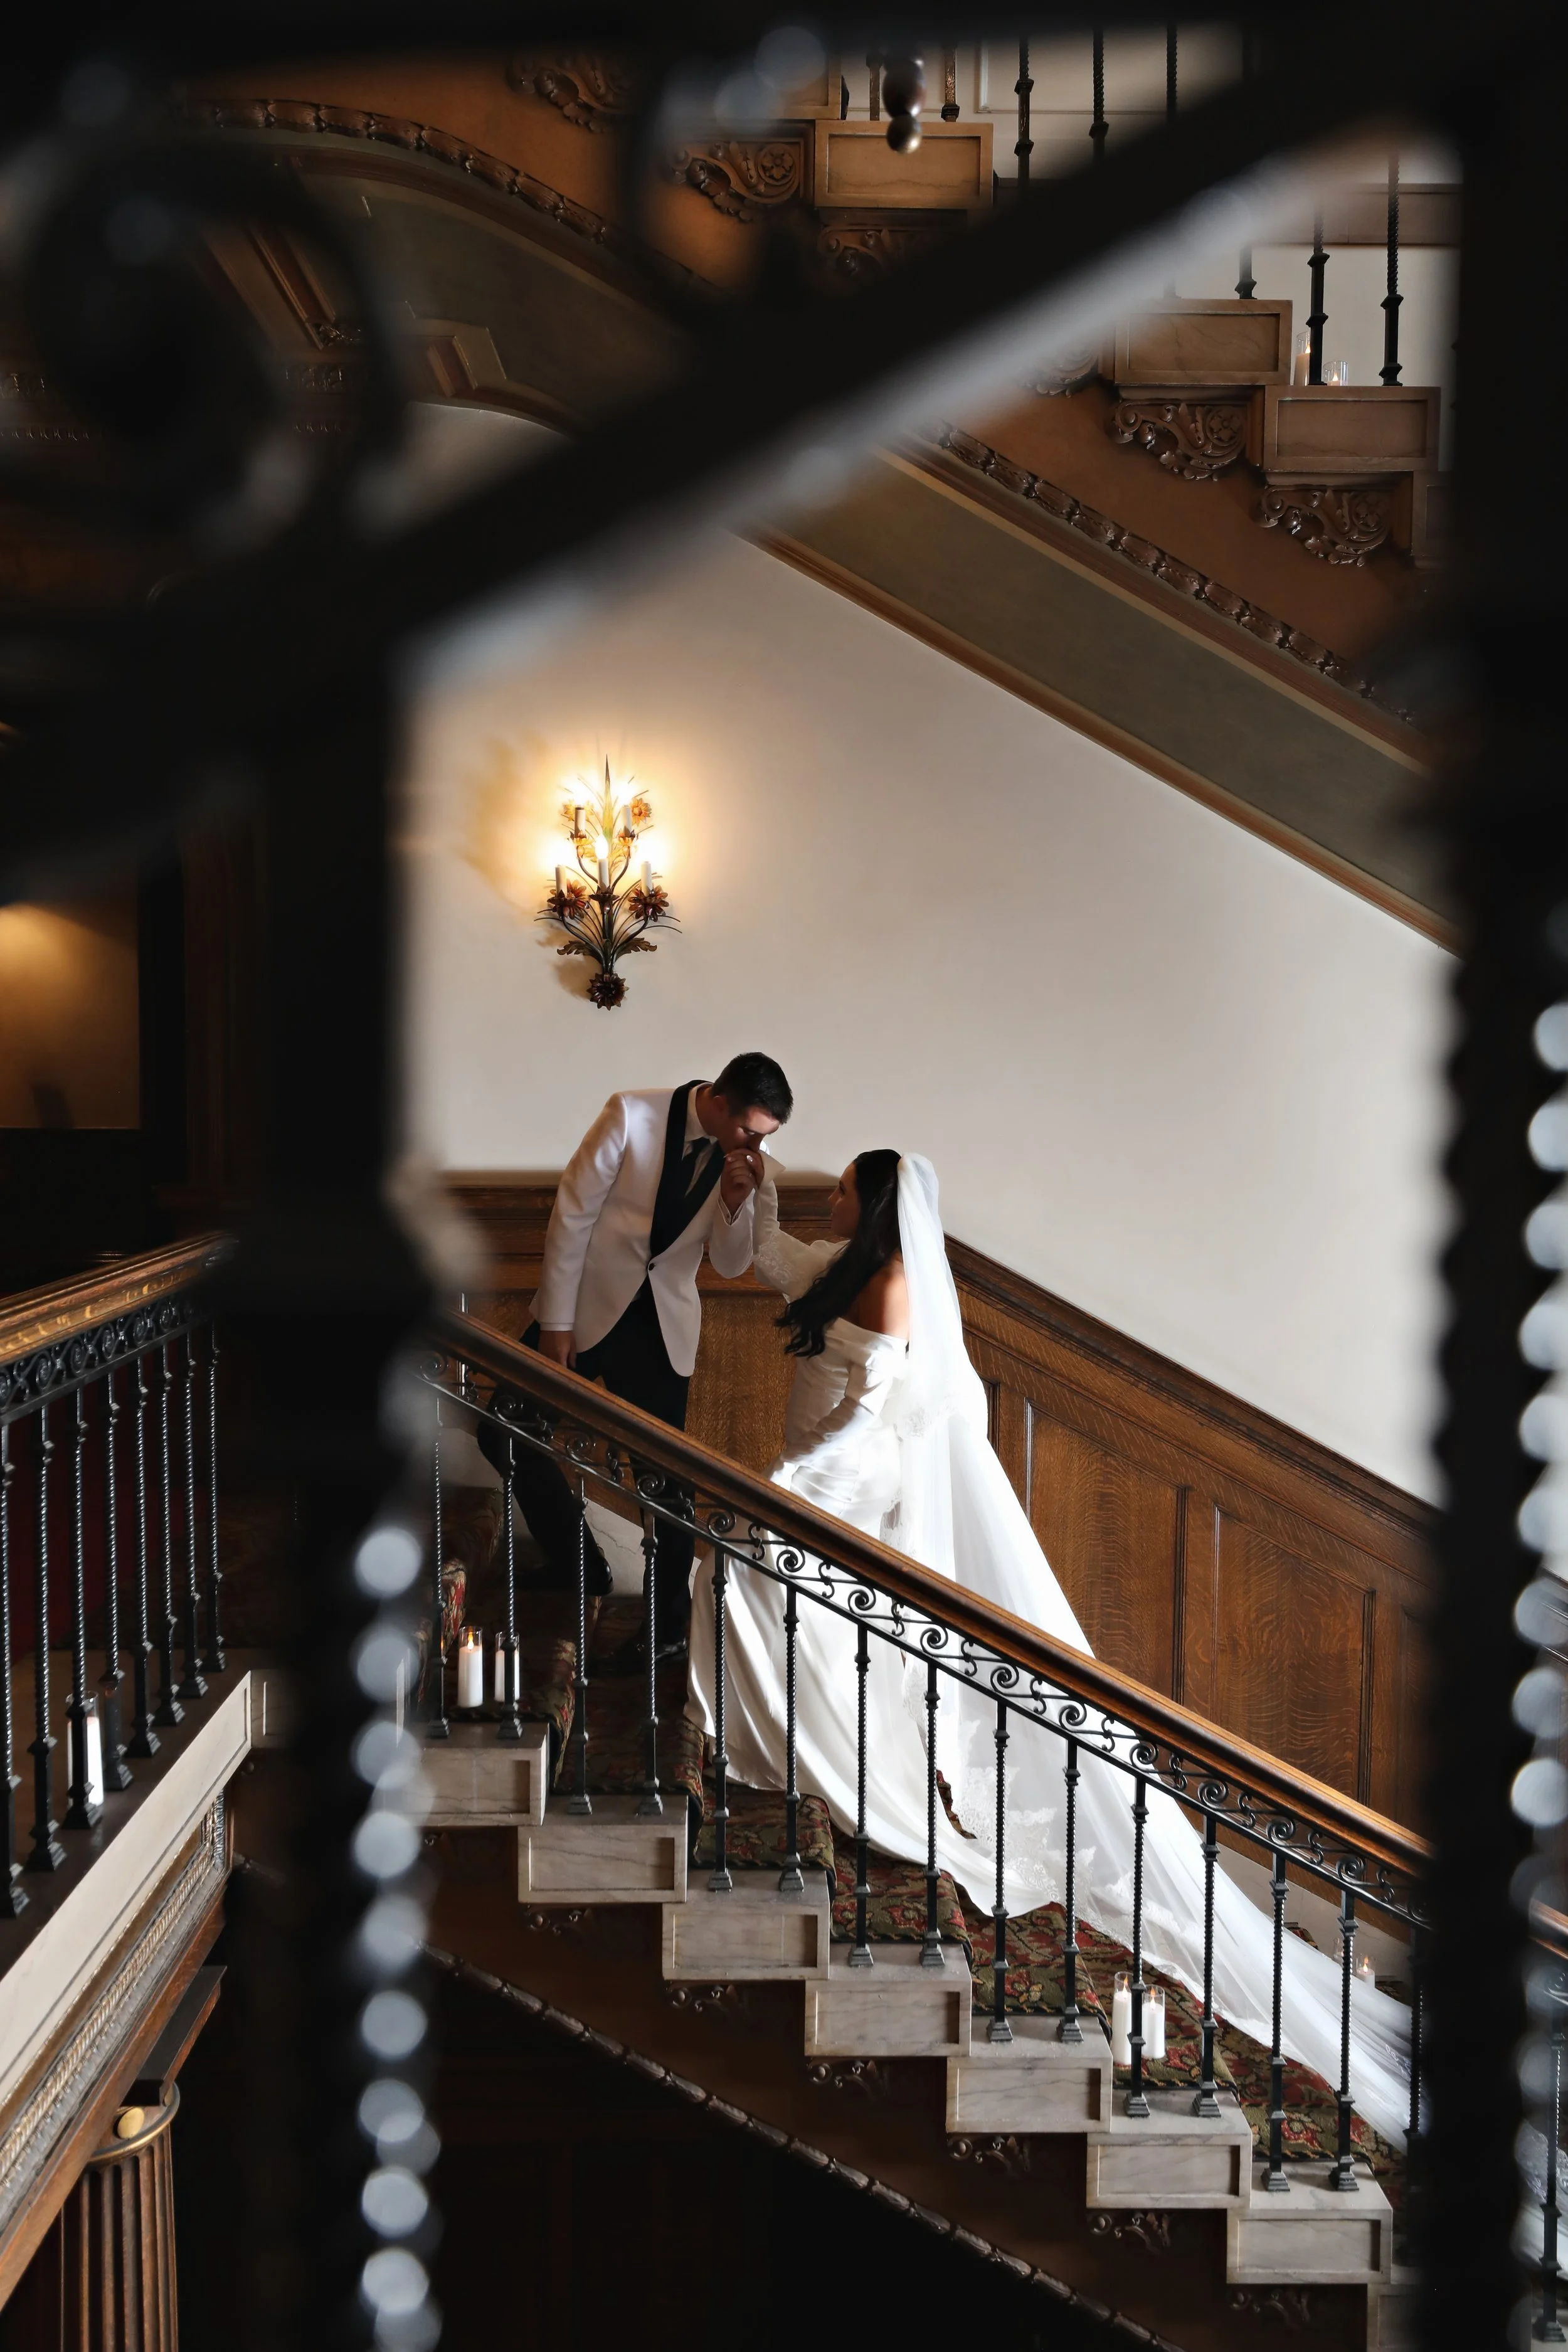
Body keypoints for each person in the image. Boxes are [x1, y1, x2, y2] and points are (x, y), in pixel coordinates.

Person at [688, 1153, 1413, 2149]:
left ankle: (808, 1753)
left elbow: (869, 1412)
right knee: (739, 1563)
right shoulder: (842, 1261)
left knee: (749, 1559)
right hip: (813, 1463)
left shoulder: (895, 1280)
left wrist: (793, 1482)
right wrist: (753, 1187)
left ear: (877, 1203)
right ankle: (786, 1740)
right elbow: (769, 1255)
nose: (833, 1194)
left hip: (843, 1476)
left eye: (845, 1186)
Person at [479, 1054, 792, 1666]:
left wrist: (734, 1205)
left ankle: (666, 1628)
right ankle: (579, 1562)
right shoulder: (631, 1113)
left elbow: (729, 1265)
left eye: (768, 1137)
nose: (758, 1146)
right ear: (720, 1102)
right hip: (581, 1309)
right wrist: (558, 1325)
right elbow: (572, 1215)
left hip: (661, 1330)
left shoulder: (746, 1163)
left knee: (664, 1481)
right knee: (502, 1431)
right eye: (752, 1131)